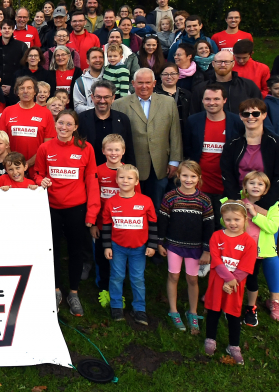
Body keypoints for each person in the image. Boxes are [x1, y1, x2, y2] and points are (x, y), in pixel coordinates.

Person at [34, 109, 99, 316]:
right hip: (51, 208)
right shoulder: (45, 147)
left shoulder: (86, 148)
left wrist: (91, 214)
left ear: (76, 127)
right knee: (52, 249)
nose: (64, 127)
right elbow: (38, 173)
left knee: (75, 251)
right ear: (55, 124)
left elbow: (91, 181)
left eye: (69, 124)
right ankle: (55, 290)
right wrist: (39, 180)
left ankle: (73, 292)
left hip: (76, 208)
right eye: (60, 123)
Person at [111, 68, 182, 211]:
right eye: (140, 83)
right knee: (132, 207)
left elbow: (175, 133)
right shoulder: (119, 104)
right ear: (133, 83)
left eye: (148, 82)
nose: (144, 86)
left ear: (154, 83)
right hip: (132, 165)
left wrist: (174, 161)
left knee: (157, 206)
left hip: (160, 164)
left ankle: (156, 232)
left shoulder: (168, 102)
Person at [158, 160, 215, 334]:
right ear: (178, 176)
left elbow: (209, 227)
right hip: (174, 245)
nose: (188, 179)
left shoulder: (204, 200)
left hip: (195, 248)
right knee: (173, 277)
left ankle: (193, 312)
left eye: (192, 176)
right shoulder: (170, 197)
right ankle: (173, 311)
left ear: (199, 178)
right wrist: (160, 242)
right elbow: (163, 221)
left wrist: (206, 250)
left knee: (192, 280)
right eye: (184, 175)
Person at [101, 164, 156, 325]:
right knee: (117, 277)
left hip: (139, 248)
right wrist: (107, 246)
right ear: (116, 180)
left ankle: (139, 309)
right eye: (122, 177)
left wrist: (152, 245)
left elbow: (153, 224)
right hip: (117, 247)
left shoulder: (146, 201)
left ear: (136, 181)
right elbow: (106, 226)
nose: (125, 181)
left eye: (130, 178)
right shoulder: (111, 202)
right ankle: (116, 306)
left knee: (137, 278)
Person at [203, 201, 258, 365]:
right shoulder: (217, 236)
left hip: (235, 286)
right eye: (228, 220)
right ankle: (210, 339)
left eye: (236, 219)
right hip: (218, 282)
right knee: (214, 311)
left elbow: (246, 266)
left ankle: (233, 345)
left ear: (245, 219)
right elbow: (216, 261)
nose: (232, 223)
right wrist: (229, 279)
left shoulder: (249, 242)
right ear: (223, 220)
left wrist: (234, 282)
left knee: (234, 314)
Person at [183, 84, 245, 218]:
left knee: (221, 223)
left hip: (225, 186)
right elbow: (187, 148)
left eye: (216, 99)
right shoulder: (193, 121)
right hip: (198, 186)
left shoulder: (236, 122)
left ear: (225, 100)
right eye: (207, 99)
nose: (212, 103)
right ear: (202, 100)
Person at [220, 98, 279, 214]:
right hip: (238, 202)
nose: (250, 117)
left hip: (268, 203)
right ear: (241, 116)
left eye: (256, 113)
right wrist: (237, 200)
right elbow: (226, 174)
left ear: (264, 115)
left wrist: (264, 204)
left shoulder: (277, 144)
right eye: (246, 114)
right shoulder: (232, 144)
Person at [234, 171, 279, 325]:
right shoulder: (238, 202)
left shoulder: (273, 207)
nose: (256, 186)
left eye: (260, 184)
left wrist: (255, 214)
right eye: (252, 183)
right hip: (237, 250)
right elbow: (225, 222)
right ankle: (232, 305)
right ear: (245, 186)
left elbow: (273, 227)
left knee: (252, 279)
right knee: (234, 278)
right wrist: (236, 210)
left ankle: (250, 308)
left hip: (256, 253)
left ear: (266, 189)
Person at [0, 20, 28, 95]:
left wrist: (14, 87)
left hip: (18, 90)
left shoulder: (22, 46)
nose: (7, 30)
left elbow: (26, 69)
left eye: (9, 28)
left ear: (13, 30)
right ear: (0, 30)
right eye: (4, 28)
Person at [73, 47, 105, 113]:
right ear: (87, 61)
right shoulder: (80, 82)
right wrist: (97, 110)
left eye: (100, 57)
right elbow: (78, 107)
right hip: (88, 119)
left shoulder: (111, 77)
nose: (98, 60)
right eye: (94, 57)